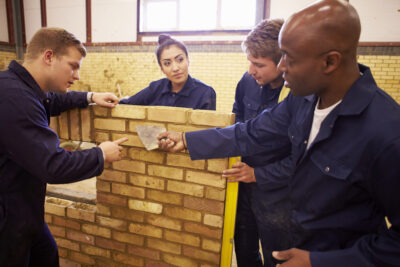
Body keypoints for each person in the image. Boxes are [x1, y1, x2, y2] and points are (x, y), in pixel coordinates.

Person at [158, 1, 400, 266]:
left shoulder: (386, 133)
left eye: (289, 58)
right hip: (286, 234)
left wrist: (319, 261)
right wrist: (187, 139)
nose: (281, 66)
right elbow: (251, 132)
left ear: (330, 61)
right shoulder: (302, 100)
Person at [0, 27, 128, 266]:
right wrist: (101, 154)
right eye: (73, 65)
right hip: (7, 216)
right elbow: (53, 164)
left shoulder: (19, 86)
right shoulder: (15, 98)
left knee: (47, 254)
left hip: (24, 208)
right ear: (48, 57)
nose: (77, 75)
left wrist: (89, 97)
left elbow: (51, 100)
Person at [226, 18, 291, 267]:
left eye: (258, 64)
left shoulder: (297, 94)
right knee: (244, 250)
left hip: (278, 195)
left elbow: (301, 157)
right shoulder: (246, 83)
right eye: (249, 62)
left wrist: (258, 174)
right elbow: (237, 123)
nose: (251, 70)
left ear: (283, 61)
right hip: (242, 186)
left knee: (278, 255)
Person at [120, 34, 216, 110]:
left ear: (188, 60)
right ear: (162, 69)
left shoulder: (205, 92)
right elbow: (126, 104)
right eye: (167, 63)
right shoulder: (155, 88)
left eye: (180, 59)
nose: (175, 68)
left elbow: (206, 132)